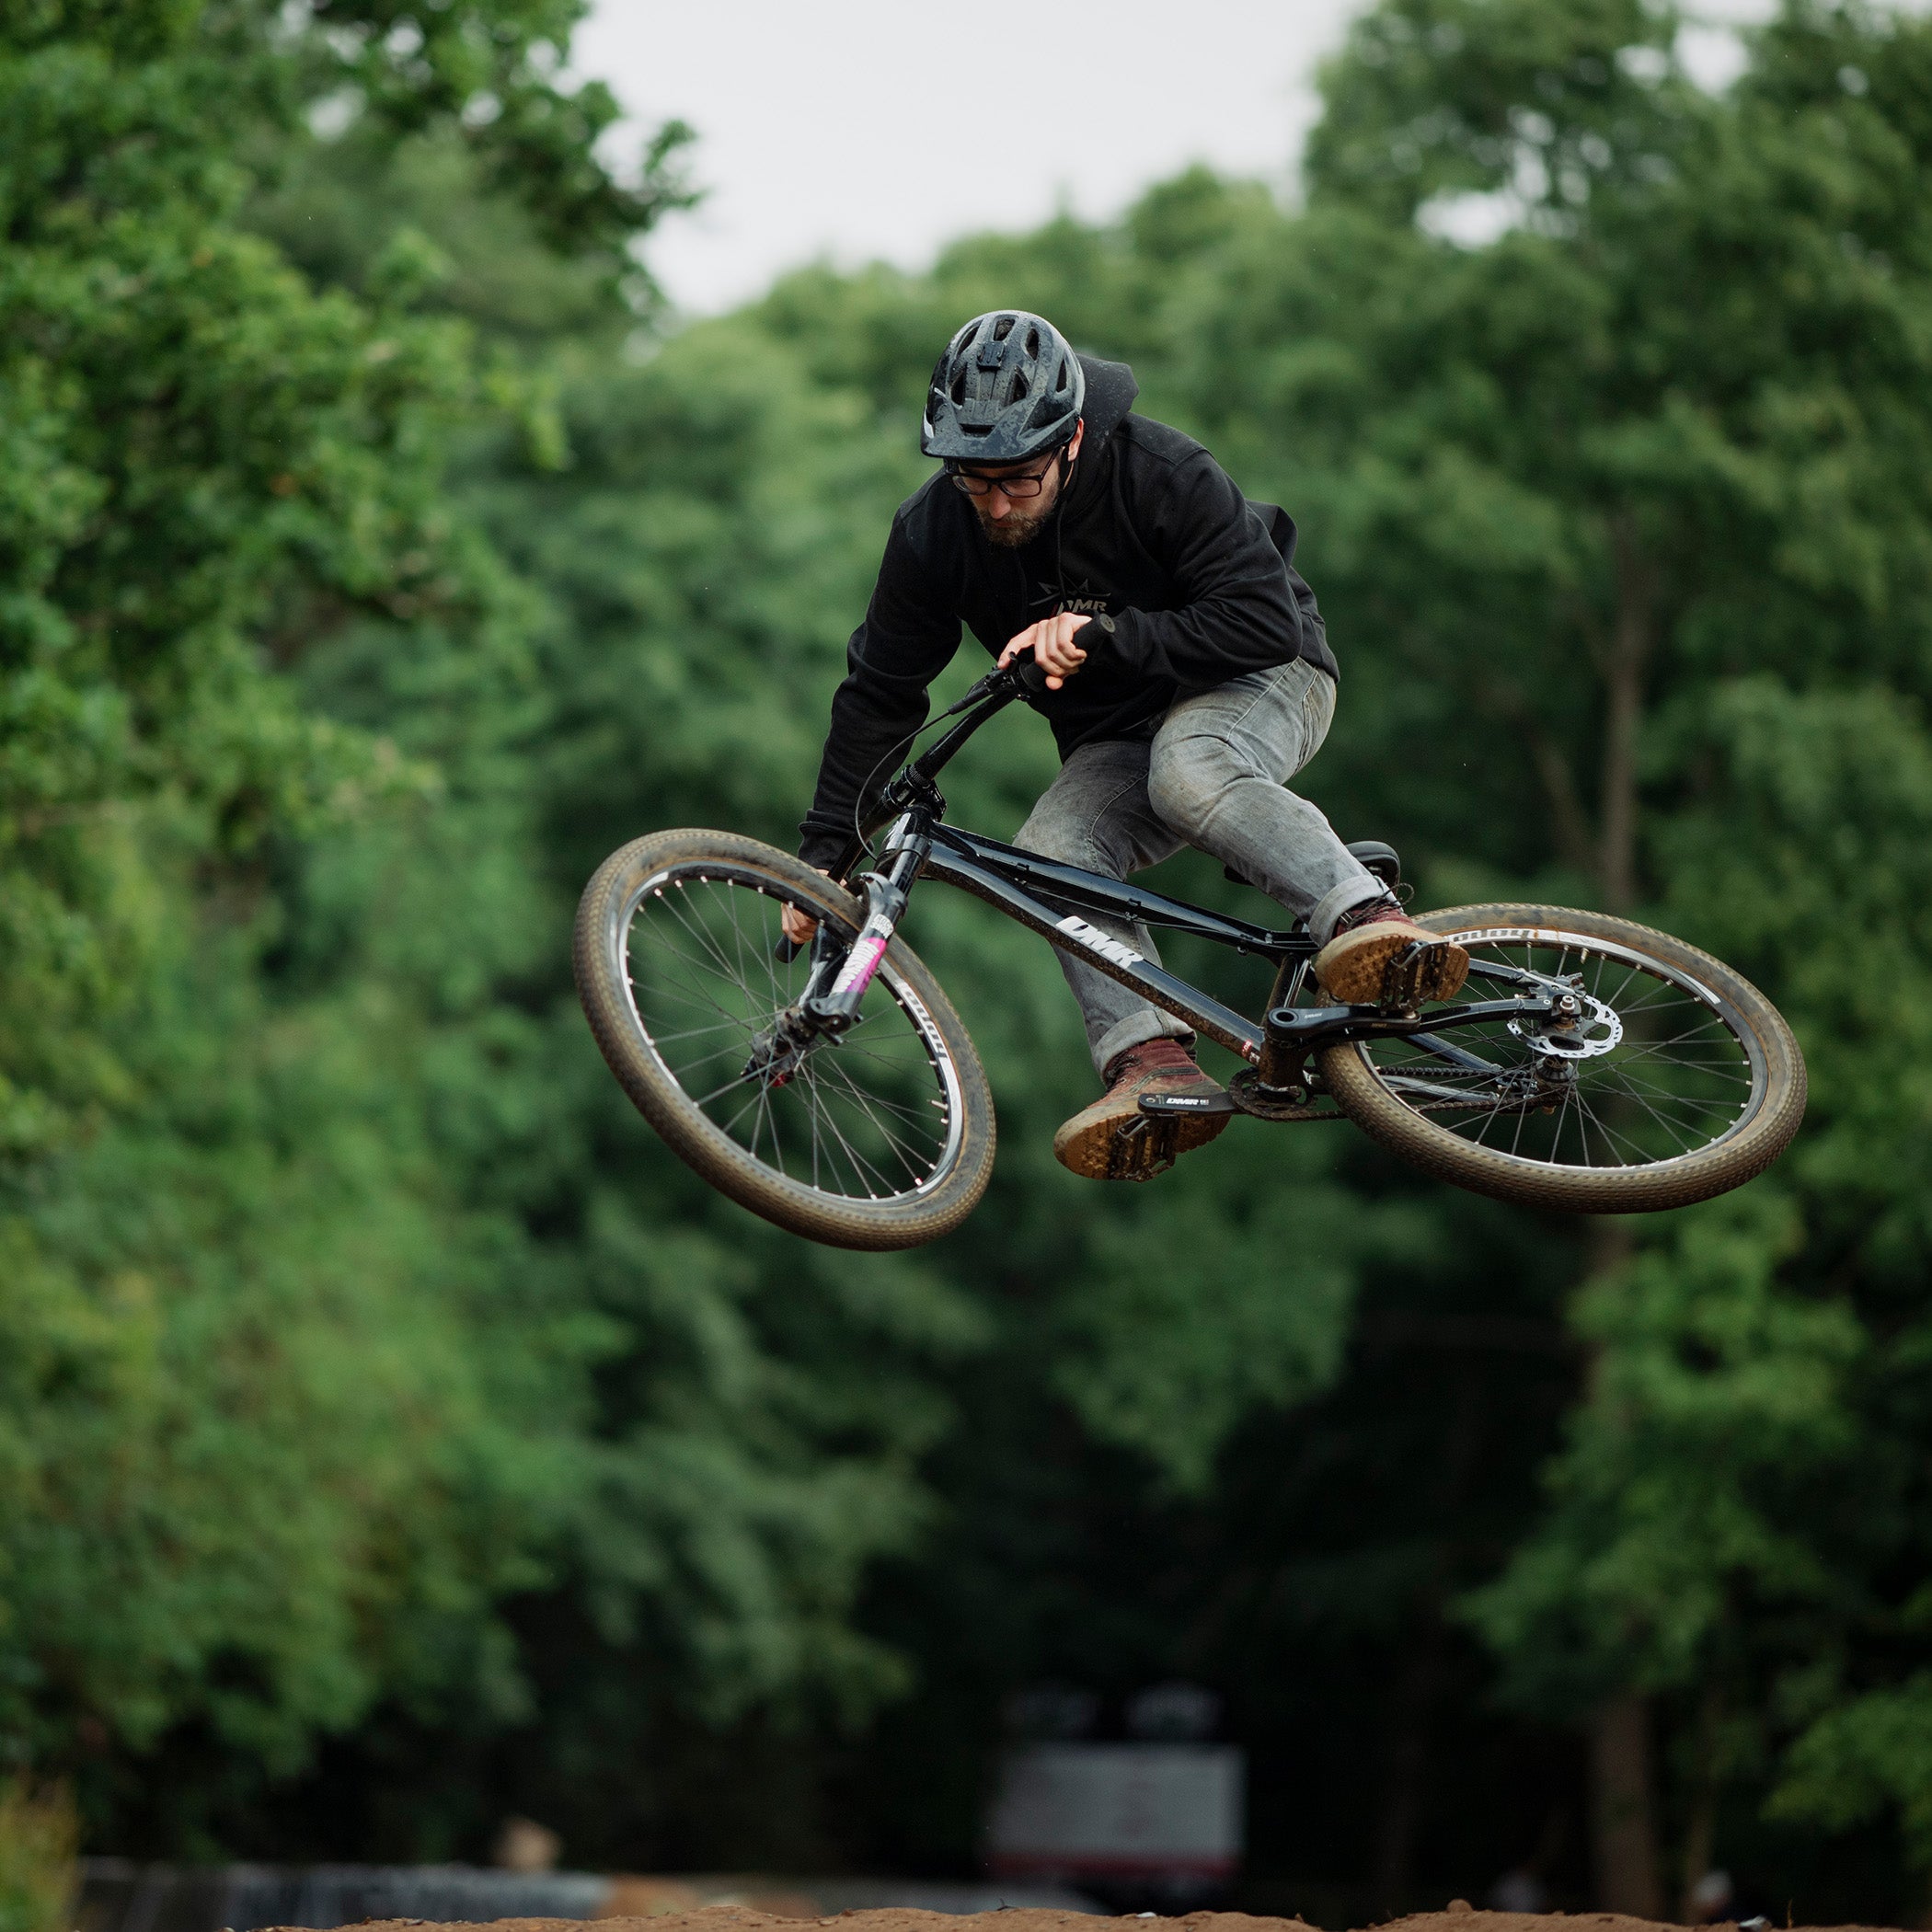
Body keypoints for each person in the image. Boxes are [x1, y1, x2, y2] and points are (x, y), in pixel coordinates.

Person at [783, 309, 1466, 1181]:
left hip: (1266, 674)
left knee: (1192, 767)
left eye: (1019, 481)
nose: (995, 504)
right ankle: (1150, 1064)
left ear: (1070, 441)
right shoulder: (932, 535)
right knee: (1050, 855)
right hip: (1119, 733)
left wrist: (1105, 637)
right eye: (972, 481)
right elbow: (879, 692)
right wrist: (825, 853)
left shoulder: (1162, 472)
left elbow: (1261, 620)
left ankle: (1373, 924)